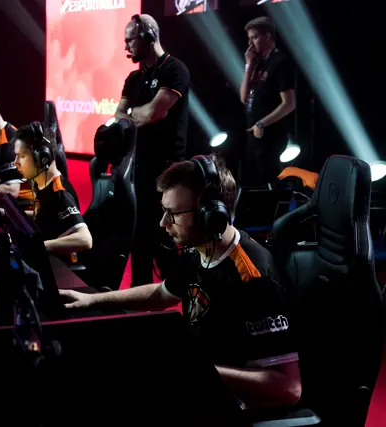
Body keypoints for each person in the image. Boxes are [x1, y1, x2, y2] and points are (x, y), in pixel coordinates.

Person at [59, 155, 302, 409]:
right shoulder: (197, 249)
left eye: (173, 214)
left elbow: (288, 388)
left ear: (211, 215)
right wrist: (92, 299)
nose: (163, 223)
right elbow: (162, 294)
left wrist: (191, 367)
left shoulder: (254, 277)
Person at [116, 14, 191, 287]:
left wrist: (133, 114)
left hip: (166, 169)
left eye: (130, 40)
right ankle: (140, 292)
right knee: (138, 236)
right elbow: (118, 116)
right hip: (138, 166)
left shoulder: (175, 69)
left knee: (164, 236)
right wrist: (136, 114)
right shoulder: (133, 78)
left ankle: (175, 293)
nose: (126, 46)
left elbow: (153, 114)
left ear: (148, 36)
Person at [13, 122, 92, 258]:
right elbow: (46, 215)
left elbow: (85, 240)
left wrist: (36, 246)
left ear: (42, 159)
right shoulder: (40, 182)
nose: (15, 162)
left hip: (58, 265)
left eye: (22, 156)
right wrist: (11, 213)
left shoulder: (59, 193)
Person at [240, 17, 296, 187]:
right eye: (249, 38)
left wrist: (262, 123)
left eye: (254, 37)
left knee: (268, 182)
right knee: (252, 182)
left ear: (268, 36)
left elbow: (289, 104)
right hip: (253, 132)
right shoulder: (256, 62)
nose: (250, 43)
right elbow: (243, 97)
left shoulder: (280, 62)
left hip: (271, 134)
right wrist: (248, 66)